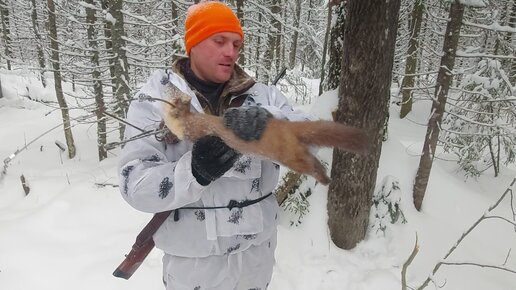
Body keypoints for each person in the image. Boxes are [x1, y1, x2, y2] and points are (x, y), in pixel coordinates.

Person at [118, 1, 312, 289]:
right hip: (194, 269)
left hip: (254, 263)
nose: (230, 52)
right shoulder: (157, 101)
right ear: (193, 43)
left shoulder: (261, 97)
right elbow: (133, 185)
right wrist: (194, 172)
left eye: (236, 44)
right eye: (219, 41)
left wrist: (266, 124)